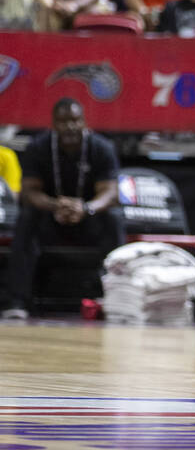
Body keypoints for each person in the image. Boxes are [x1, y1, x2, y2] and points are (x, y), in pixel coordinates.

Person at [1, 99, 122, 320]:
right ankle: (16, 301)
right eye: (63, 121)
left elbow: (111, 193)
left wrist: (86, 208)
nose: (70, 126)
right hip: (50, 218)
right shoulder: (39, 147)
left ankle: (117, 298)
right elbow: (28, 192)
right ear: (53, 123)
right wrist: (55, 205)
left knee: (113, 217)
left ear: (84, 122)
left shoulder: (101, 148)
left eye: (75, 120)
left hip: (87, 220)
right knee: (27, 216)